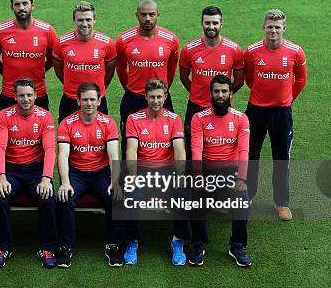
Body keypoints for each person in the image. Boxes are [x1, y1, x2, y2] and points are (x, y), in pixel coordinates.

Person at [244, 9, 307, 221]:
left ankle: (281, 203)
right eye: (269, 26)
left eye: (277, 27)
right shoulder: (251, 51)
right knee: (250, 154)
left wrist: (287, 99)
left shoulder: (295, 52)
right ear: (264, 27)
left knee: (281, 157)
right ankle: (247, 196)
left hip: (282, 112)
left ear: (284, 29)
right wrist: (263, 96)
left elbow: (300, 81)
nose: (273, 30)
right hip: (256, 110)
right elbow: (249, 79)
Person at [56, 83, 124, 268]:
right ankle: (65, 246)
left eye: (93, 99)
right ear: (78, 101)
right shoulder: (67, 123)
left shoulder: (108, 122)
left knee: (116, 196)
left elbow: (113, 155)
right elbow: (63, 154)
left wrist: (115, 181)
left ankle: (113, 245)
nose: (89, 103)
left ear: (99, 101)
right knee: (65, 196)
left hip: (100, 173)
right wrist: (65, 182)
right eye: (85, 99)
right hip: (76, 173)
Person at [0, 78, 58, 269]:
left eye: (29, 95)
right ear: (15, 96)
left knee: (48, 196)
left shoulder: (45, 116)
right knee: (0, 196)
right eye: (21, 95)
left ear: (36, 96)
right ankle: (2, 247)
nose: (25, 99)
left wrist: (46, 178)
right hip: (11, 169)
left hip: (35, 170)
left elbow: (50, 149)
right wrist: (1, 176)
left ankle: (47, 247)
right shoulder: (4, 116)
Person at [189, 75, 252, 267]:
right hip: (207, 170)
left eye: (224, 91)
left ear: (231, 94)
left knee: (243, 200)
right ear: (210, 94)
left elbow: (243, 150)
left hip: (231, 171)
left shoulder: (241, 118)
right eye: (216, 91)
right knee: (194, 198)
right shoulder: (199, 118)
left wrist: (241, 178)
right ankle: (198, 243)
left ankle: (237, 245)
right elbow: (197, 150)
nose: (220, 95)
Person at [125, 79, 187, 265]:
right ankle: (132, 241)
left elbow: (179, 151)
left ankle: (178, 241)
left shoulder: (174, 119)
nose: (155, 101)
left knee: (182, 194)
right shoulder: (133, 119)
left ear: (165, 97)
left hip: (167, 173)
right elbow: (131, 151)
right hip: (143, 172)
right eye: (152, 97)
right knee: (130, 194)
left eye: (159, 96)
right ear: (145, 97)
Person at [179, 6, 245, 159]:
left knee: (222, 151)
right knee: (192, 151)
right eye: (207, 23)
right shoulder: (189, 49)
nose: (211, 27)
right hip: (195, 107)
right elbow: (184, 77)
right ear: (201, 23)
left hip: (222, 108)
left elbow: (240, 80)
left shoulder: (234, 49)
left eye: (215, 23)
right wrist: (196, 92)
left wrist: (225, 95)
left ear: (221, 24)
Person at [116, 0, 179, 157]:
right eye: (143, 15)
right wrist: (129, 88)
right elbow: (121, 68)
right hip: (133, 98)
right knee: (129, 142)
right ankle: (129, 180)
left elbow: (172, 68)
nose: (148, 18)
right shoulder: (124, 39)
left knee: (166, 140)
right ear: (137, 16)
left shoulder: (170, 39)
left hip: (161, 97)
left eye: (151, 14)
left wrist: (163, 90)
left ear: (158, 15)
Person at [0, 0, 58, 110]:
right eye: (17, 4)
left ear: (32, 5)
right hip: (9, 94)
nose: (21, 7)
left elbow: (53, 59)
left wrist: (40, 70)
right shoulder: (0, 31)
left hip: (38, 93)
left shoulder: (47, 31)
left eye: (25, 3)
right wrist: (6, 71)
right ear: (12, 7)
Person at [53, 2, 117, 122]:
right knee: (65, 137)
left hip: (97, 100)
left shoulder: (107, 43)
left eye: (88, 19)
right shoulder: (61, 42)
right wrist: (69, 85)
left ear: (94, 20)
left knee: (100, 137)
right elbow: (58, 69)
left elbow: (110, 72)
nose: (84, 24)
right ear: (74, 20)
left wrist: (97, 90)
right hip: (70, 99)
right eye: (80, 20)